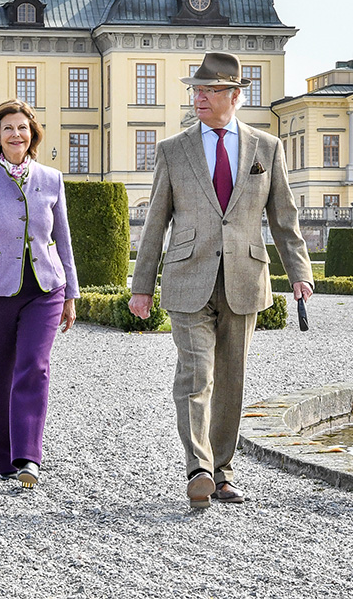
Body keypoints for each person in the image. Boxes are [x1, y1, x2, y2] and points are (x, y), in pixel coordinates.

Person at [129, 52, 313, 509]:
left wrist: (300, 273)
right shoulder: (173, 149)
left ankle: (222, 472)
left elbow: (284, 218)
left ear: (234, 95)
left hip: (245, 277)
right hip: (187, 277)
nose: (199, 98)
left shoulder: (267, 148)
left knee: (231, 381)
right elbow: (155, 223)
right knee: (195, 375)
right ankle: (199, 468)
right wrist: (142, 285)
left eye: (209, 91)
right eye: (196, 90)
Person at [0, 99, 79, 488]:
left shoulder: (52, 179)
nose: (16, 134)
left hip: (46, 289)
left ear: (33, 134)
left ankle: (28, 456)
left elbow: (63, 240)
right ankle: (4, 455)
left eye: (23, 128)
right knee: (0, 371)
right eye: (8, 128)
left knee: (34, 365)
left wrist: (71, 294)